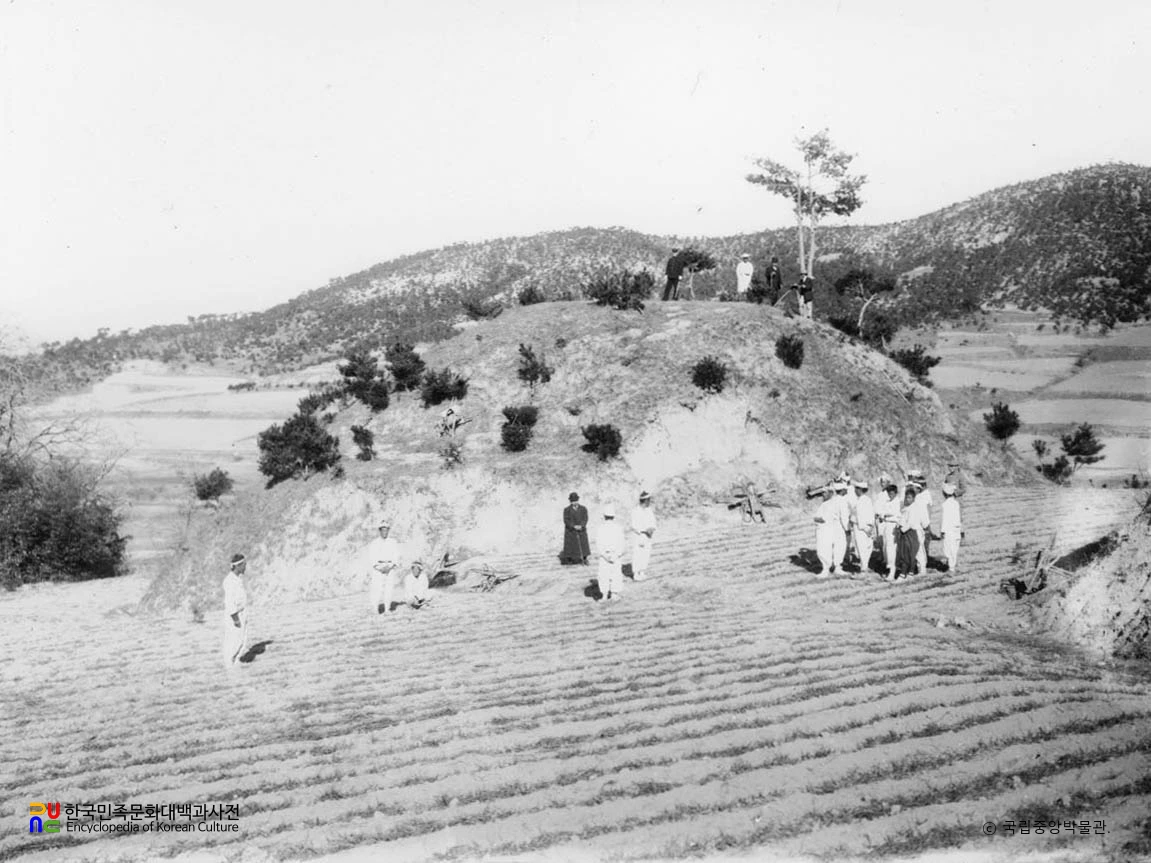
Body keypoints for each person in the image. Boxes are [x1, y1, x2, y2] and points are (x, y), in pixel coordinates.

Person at [367, 517, 403, 614]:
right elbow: (372, 557)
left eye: (386, 530)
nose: (385, 532)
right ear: (380, 530)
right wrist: (379, 567)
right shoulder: (374, 543)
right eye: (383, 530)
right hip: (378, 568)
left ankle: (387, 609)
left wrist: (390, 566)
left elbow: (396, 555)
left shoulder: (393, 542)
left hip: (389, 567)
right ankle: (375, 609)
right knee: (377, 589)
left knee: (389, 589)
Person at [222, 553, 249, 667]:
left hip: (242, 612)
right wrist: (236, 619)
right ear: (238, 566)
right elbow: (229, 603)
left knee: (243, 640)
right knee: (235, 641)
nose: (245, 568)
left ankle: (236, 661)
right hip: (235, 615)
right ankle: (229, 664)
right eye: (244, 565)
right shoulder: (229, 581)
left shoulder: (237, 579)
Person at [891, 486, 922, 581]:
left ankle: (904, 574)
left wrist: (902, 529)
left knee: (908, 553)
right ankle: (909, 572)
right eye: (906, 497)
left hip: (910, 533)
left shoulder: (913, 509)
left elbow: (910, 522)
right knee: (906, 553)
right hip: (906, 532)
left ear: (913, 498)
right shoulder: (906, 508)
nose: (907, 499)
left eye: (909, 498)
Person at [595, 505, 626, 599]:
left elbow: (598, 543)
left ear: (604, 516)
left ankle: (604, 595)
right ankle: (614, 594)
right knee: (616, 574)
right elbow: (622, 543)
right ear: (613, 516)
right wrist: (617, 555)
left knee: (603, 575)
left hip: (605, 555)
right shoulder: (618, 528)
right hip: (615, 555)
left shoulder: (600, 528)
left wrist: (604, 555)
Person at [874, 477, 901, 580]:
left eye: (892, 493)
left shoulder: (898, 502)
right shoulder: (888, 502)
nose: (891, 495)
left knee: (892, 548)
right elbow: (882, 512)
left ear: (895, 493)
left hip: (893, 526)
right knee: (886, 547)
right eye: (889, 493)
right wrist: (882, 515)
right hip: (886, 526)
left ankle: (893, 571)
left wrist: (885, 515)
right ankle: (889, 568)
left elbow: (896, 515)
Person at [936, 482, 964, 573]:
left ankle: (951, 568)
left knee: (949, 548)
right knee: (954, 548)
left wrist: (942, 531)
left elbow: (944, 519)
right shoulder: (956, 503)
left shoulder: (945, 504)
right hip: (956, 528)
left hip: (949, 529)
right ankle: (952, 564)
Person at [629, 491, 657, 581]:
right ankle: (636, 573)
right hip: (639, 535)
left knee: (646, 554)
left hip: (648, 536)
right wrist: (645, 530)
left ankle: (642, 571)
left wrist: (652, 528)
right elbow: (634, 525)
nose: (650, 502)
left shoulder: (649, 510)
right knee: (638, 554)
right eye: (649, 500)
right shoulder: (635, 511)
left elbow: (653, 521)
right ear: (645, 501)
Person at [813, 486, 839, 578]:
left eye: (825, 492)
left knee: (824, 549)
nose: (823, 495)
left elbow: (823, 519)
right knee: (821, 549)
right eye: (822, 493)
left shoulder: (831, 504)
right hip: (821, 530)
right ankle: (825, 568)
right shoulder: (824, 504)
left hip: (826, 530)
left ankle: (826, 569)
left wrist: (816, 518)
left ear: (830, 493)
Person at [851, 479, 876, 574]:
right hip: (867, 527)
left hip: (861, 528)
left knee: (862, 548)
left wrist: (865, 529)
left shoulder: (861, 501)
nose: (854, 490)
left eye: (856, 488)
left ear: (859, 489)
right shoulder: (867, 500)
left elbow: (861, 517)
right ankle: (864, 566)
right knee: (866, 547)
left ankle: (863, 569)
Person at [562, 492, 591, 565]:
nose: (574, 502)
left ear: (578, 500)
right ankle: (569, 559)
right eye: (572, 501)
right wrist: (573, 526)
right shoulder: (567, 510)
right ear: (570, 501)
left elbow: (585, 518)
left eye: (575, 501)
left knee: (583, 544)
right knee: (570, 545)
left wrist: (581, 525)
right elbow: (566, 520)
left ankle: (585, 558)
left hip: (581, 529)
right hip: (571, 530)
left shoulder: (583, 508)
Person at [831, 480, 853, 573]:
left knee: (834, 545)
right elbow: (844, 517)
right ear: (842, 490)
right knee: (840, 545)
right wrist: (847, 529)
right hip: (840, 526)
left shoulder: (833, 500)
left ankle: (834, 563)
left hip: (833, 525)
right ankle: (838, 566)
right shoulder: (842, 501)